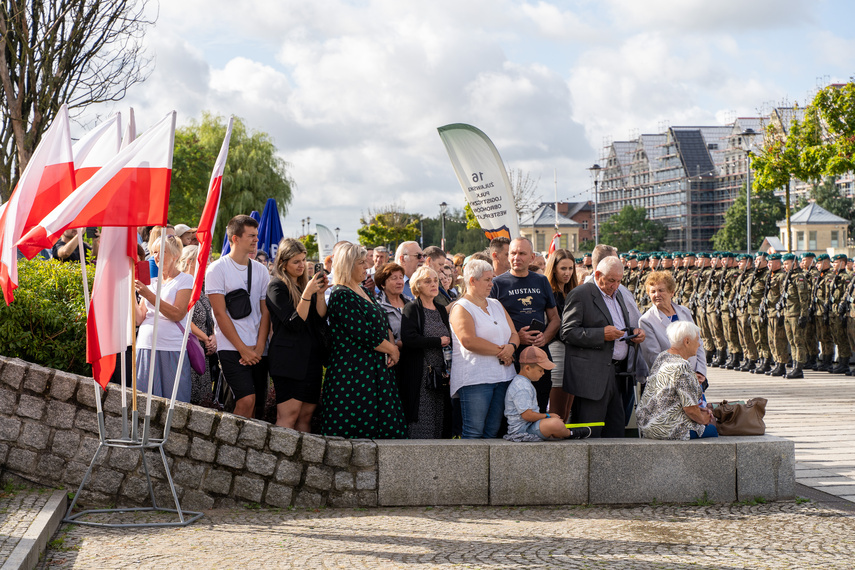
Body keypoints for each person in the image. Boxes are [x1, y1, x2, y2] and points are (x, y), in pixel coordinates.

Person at [320, 243, 407, 438]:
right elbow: (364, 334)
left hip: (374, 369)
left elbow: (383, 324)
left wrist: (390, 347)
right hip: (354, 374)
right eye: (361, 263)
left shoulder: (365, 291)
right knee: (358, 429)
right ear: (347, 265)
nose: (366, 267)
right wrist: (392, 350)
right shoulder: (341, 295)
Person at [561, 256, 646, 438]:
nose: (615, 285)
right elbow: (567, 332)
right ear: (598, 274)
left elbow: (617, 326)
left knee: (615, 431)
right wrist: (601, 334)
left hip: (618, 375)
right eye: (611, 280)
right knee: (590, 432)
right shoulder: (581, 294)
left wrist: (633, 333)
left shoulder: (619, 295)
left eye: (618, 281)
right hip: (592, 378)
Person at [206, 215, 271, 420]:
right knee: (245, 400)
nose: (256, 240)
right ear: (235, 238)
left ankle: (246, 448)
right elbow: (219, 313)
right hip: (231, 347)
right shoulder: (217, 269)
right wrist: (243, 349)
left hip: (258, 348)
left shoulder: (261, 270)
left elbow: (265, 311)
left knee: (257, 406)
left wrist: (260, 347)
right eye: (251, 236)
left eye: (256, 235)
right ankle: (228, 447)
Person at [449, 260, 519, 439]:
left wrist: (511, 347)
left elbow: (514, 334)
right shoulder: (461, 307)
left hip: (503, 377)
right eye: (487, 280)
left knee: (492, 431)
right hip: (476, 379)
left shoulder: (496, 304)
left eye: (492, 279)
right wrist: (503, 352)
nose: (491, 284)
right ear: (472, 281)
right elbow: (468, 340)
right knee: (474, 431)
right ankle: (469, 468)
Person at [266, 238, 330, 431]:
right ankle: (281, 460)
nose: (302, 265)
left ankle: (304, 460)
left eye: (303, 260)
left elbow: (319, 319)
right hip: (289, 361)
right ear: (283, 264)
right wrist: (307, 294)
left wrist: (319, 294)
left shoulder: (305, 287)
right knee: (288, 416)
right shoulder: (276, 287)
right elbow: (294, 322)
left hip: (311, 358)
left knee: (306, 417)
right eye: (296, 261)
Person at [490, 237, 558, 415]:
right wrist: (515, 338)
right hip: (512, 356)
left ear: (532, 257)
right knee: (512, 407)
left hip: (539, 353)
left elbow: (555, 319)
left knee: (540, 402)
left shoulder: (542, 281)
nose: (516, 257)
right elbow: (491, 323)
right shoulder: (497, 284)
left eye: (522, 253)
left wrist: (546, 337)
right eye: (513, 253)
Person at [134, 234, 193, 402]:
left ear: (176, 255)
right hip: (145, 346)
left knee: (174, 401)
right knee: (143, 401)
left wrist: (149, 295)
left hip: (171, 348)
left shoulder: (185, 280)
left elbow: (178, 314)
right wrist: (132, 292)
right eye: (154, 252)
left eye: (162, 252)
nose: (156, 256)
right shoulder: (151, 281)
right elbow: (139, 319)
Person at [636, 321, 718, 440]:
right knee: (713, 429)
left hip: (647, 424)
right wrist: (704, 419)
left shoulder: (663, 356)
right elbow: (690, 409)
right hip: (668, 429)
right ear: (687, 341)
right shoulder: (682, 366)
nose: (699, 344)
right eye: (697, 340)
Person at [399, 265, 452, 438]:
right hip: (421, 374)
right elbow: (409, 339)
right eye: (428, 281)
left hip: (441, 374)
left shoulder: (441, 309)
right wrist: (438, 341)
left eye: (436, 280)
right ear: (417, 285)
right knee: (422, 420)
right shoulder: (412, 308)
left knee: (440, 419)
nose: (433, 284)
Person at [638, 270, 707, 385]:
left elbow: (698, 343)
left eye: (661, 290)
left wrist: (700, 372)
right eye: (653, 291)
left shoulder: (684, 312)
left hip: (697, 378)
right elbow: (654, 357)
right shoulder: (646, 321)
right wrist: (685, 377)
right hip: (671, 382)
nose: (657, 295)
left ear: (672, 292)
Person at [504, 347, 584, 441]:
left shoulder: (524, 383)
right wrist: (548, 415)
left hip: (530, 426)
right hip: (523, 430)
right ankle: (570, 433)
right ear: (527, 368)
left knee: (555, 423)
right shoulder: (522, 387)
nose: (543, 374)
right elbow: (527, 415)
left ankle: (560, 432)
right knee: (555, 423)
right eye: (540, 370)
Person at [176, 245, 218, 407]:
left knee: (204, 398)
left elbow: (212, 313)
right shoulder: (182, 283)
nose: (208, 263)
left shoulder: (203, 285)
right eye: (204, 260)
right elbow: (184, 318)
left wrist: (213, 336)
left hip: (205, 347)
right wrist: (206, 338)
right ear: (189, 262)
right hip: (190, 346)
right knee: (190, 397)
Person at [544, 249, 578, 421]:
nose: (567, 273)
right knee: (557, 408)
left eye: (570, 268)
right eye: (563, 268)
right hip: (556, 348)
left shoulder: (574, 292)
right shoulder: (548, 292)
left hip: (574, 349)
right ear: (554, 268)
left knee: (567, 409)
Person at [375, 262, 407, 347]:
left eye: (401, 278)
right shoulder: (377, 306)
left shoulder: (410, 302)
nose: (399, 282)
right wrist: (396, 343)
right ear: (383, 284)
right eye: (394, 278)